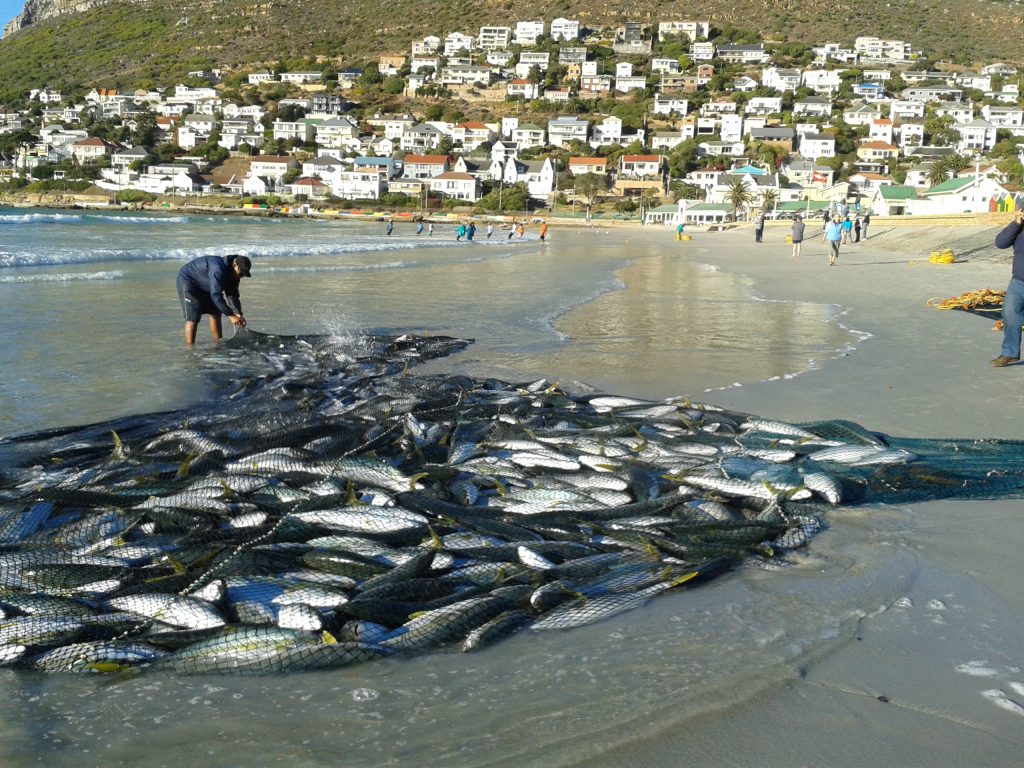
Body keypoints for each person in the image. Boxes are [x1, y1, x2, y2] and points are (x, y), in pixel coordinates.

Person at [177, 254, 251, 347]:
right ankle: (190, 349)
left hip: (208, 285)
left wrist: (238, 313)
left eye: (243, 275)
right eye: (240, 273)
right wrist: (231, 316)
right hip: (188, 281)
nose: (240, 277)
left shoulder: (235, 275)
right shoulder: (218, 269)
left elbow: (232, 295)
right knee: (193, 318)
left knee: (216, 312)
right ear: (234, 264)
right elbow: (216, 295)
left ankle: (217, 344)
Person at [991, 209, 1024, 367]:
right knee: (1009, 313)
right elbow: (1000, 243)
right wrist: (1016, 223)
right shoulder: (1018, 228)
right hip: (1018, 281)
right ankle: (1010, 353)